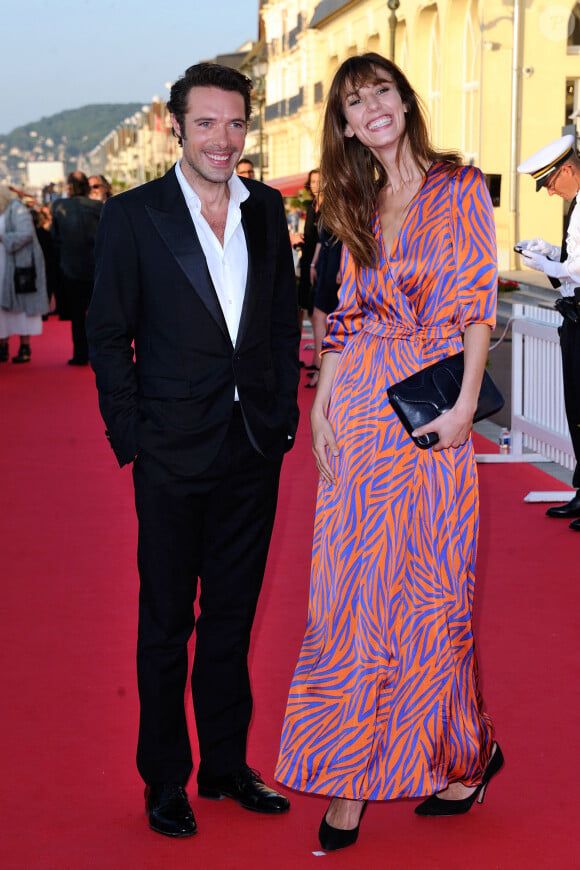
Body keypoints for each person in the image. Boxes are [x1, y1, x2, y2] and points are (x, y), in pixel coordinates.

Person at [275, 53, 503, 852]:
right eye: (353, 102)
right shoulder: (354, 201)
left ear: (404, 100)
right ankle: (348, 785)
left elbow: (478, 302)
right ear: (342, 125)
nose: (370, 108)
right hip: (362, 410)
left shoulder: (461, 186)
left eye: (380, 92)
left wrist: (469, 405)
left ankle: (464, 753)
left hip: (432, 410)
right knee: (346, 596)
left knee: (431, 593)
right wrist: (322, 411)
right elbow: (341, 318)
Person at [86, 61, 300, 839]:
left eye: (236, 122)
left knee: (234, 622)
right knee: (166, 624)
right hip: (172, 452)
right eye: (206, 122)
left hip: (252, 450)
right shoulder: (135, 216)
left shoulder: (267, 210)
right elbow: (108, 335)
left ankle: (225, 766)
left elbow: (281, 320)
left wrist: (280, 420)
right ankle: (165, 778)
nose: (223, 138)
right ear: (176, 125)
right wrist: (132, 436)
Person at [516, 134, 580, 531]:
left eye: (551, 182)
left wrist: (548, 265)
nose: (550, 191)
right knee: (575, 411)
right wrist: (552, 254)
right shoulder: (576, 205)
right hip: (574, 316)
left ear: (569, 170)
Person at [51, 171, 102, 365]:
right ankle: (100, 354)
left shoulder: (58, 206)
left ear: (69, 187)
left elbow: (54, 237)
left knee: (77, 314)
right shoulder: (97, 207)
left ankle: (81, 354)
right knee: (99, 314)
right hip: (96, 266)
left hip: (70, 267)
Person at [0, 187, 49, 363]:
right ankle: (3, 346)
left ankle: (24, 346)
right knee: (2, 308)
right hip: (4, 264)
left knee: (22, 308)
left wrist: (3, 238)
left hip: (18, 265)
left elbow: (26, 233)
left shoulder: (16, 208)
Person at [306, 220, 342, 388]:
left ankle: (324, 371)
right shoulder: (329, 203)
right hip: (326, 260)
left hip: (338, 258)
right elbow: (322, 238)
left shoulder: (346, 198)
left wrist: (344, 265)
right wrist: (314, 264)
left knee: (324, 315)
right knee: (319, 314)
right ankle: (322, 369)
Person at [296, 168, 320, 358]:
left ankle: (319, 355)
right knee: (304, 303)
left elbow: (324, 239)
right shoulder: (313, 205)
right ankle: (315, 350)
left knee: (317, 308)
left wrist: (313, 263)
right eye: (312, 182)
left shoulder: (329, 206)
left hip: (319, 261)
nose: (316, 185)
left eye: (319, 181)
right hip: (307, 258)